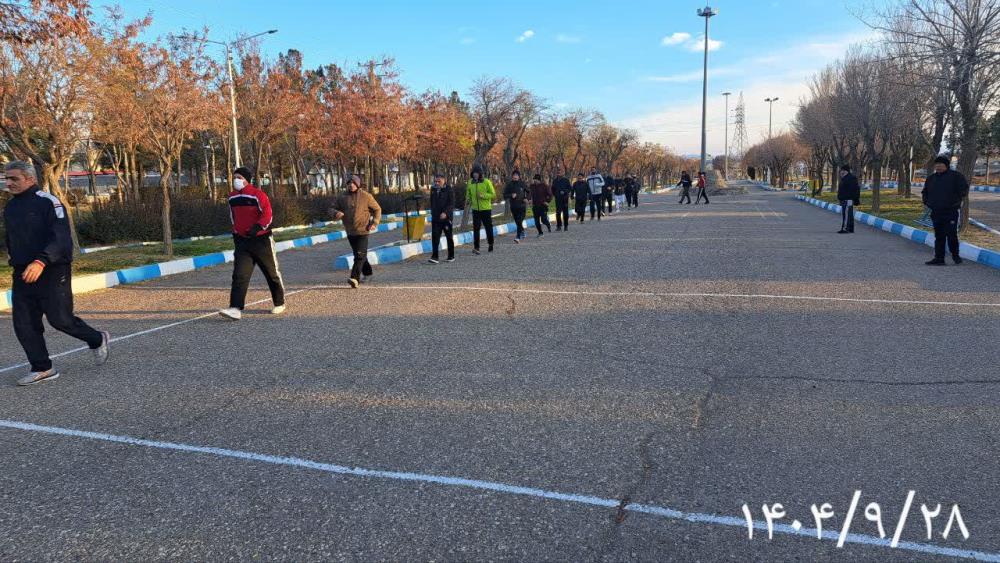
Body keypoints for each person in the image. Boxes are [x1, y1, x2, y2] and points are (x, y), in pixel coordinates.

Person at [3, 161, 109, 386]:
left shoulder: (48, 202)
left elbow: (61, 238)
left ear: (30, 179)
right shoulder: (10, 207)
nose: (8, 182)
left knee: (60, 320)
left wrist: (41, 261)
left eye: (14, 178)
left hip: (51, 269)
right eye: (6, 178)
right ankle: (43, 367)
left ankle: (97, 338)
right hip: (22, 272)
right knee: (24, 323)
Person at [219, 166, 287, 320]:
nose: (236, 180)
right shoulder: (232, 197)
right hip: (242, 242)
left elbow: (268, 214)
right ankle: (235, 308)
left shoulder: (258, 195)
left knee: (271, 273)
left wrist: (257, 227)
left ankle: (279, 302)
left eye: (239, 177)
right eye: (234, 177)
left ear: (247, 180)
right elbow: (233, 216)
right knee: (239, 275)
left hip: (261, 240)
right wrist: (235, 231)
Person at [330, 174, 382, 287]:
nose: (351, 185)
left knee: (359, 255)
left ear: (358, 184)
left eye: (353, 183)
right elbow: (331, 208)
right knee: (360, 255)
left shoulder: (366, 196)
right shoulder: (342, 197)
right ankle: (368, 273)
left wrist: (375, 222)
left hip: (363, 230)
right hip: (350, 231)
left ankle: (354, 278)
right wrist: (335, 213)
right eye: (349, 183)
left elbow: (377, 209)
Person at [922, 155, 970, 265]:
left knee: (951, 235)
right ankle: (939, 258)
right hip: (936, 212)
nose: (938, 166)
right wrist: (927, 202)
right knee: (939, 236)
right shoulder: (931, 179)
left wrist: (956, 200)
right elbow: (925, 192)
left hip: (951, 212)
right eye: (936, 164)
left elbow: (964, 189)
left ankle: (955, 256)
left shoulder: (955, 176)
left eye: (941, 164)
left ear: (946, 166)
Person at [466, 164, 496, 254]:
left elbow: (493, 194)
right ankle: (476, 247)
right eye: (474, 173)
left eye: (477, 173)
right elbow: (468, 194)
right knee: (476, 228)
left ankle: (490, 243)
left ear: (480, 173)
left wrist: (483, 196)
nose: (475, 174)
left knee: (488, 227)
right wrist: (468, 200)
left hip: (486, 209)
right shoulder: (470, 182)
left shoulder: (486, 182)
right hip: (475, 210)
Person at [428, 172, 455, 264]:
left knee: (449, 237)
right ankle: (435, 257)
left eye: (439, 181)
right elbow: (432, 202)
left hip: (446, 218)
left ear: (444, 180)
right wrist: (432, 212)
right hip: (436, 218)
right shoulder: (433, 189)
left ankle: (451, 256)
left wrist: (446, 213)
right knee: (435, 237)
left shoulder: (449, 189)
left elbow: (451, 203)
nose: (436, 183)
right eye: (435, 181)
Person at [503, 169, 529, 242]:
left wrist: (526, 198)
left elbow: (529, 191)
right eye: (514, 175)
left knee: (519, 220)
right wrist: (511, 195)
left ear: (519, 176)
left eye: (516, 175)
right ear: (512, 176)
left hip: (522, 206)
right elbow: (504, 195)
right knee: (517, 222)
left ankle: (518, 237)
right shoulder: (509, 185)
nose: (515, 176)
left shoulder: (522, 183)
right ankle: (522, 231)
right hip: (513, 207)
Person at [837, 165, 861, 234]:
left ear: (845, 171)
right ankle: (850, 228)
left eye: (842, 171)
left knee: (846, 214)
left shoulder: (851, 178)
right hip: (845, 199)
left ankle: (845, 229)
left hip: (848, 199)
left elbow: (854, 190)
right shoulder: (845, 178)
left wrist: (854, 199)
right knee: (849, 214)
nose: (840, 172)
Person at [529, 173, 553, 238]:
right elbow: (529, 194)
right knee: (536, 221)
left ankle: (548, 225)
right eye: (534, 179)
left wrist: (547, 201)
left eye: (536, 179)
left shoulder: (544, 186)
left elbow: (550, 195)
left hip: (543, 206)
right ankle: (540, 233)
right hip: (535, 206)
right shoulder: (532, 186)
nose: (535, 181)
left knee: (543, 220)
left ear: (539, 180)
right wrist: (529, 200)